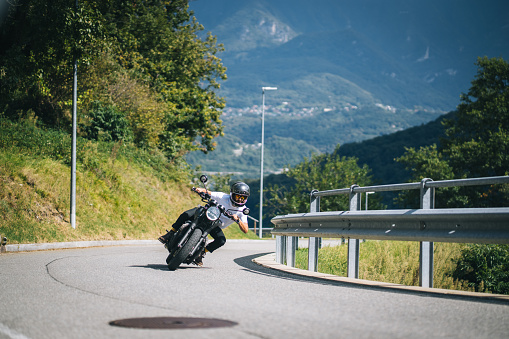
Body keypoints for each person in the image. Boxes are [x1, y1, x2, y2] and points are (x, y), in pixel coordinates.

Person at [158, 181, 250, 266]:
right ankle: (170, 233)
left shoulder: (242, 211)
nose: (240, 200)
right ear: (232, 194)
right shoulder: (223, 197)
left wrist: (238, 220)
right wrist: (200, 190)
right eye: (238, 196)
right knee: (186, 214)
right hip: (206, 214)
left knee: (221, 240)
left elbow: (245, 229)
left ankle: (201, 252)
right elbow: (209, 192)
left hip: (215, 225)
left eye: (243, 198)